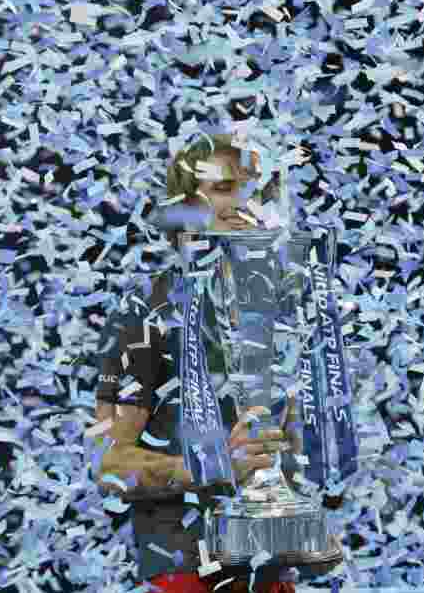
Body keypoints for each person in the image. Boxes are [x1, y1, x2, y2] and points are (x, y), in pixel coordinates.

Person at [94, 135, 338, 593]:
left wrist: (306, 524)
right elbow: (110, 466)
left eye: (255, 190)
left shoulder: (282, 312)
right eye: (225, 188)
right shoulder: (148, 312)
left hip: (269, 576)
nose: (244, 202)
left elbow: (281, 458)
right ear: (185, 204)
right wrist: (216, 466)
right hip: (188, 574)